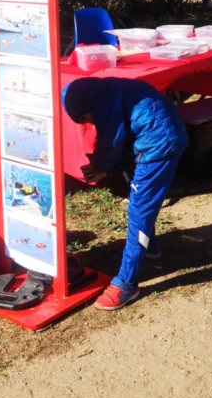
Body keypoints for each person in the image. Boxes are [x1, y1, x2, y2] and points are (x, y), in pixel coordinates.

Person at [62, 77, 188, 309]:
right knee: (140, 202)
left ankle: (126, 284)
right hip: (157, 134)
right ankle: (149, 247)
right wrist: (107, 168)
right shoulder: (106, 90)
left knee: (139, 211)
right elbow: (122, 135)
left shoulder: (103, 101)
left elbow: (111, 140)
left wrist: (100, 168)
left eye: (84, 119)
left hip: (158, 145)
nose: (88, 123)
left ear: (86, 109)